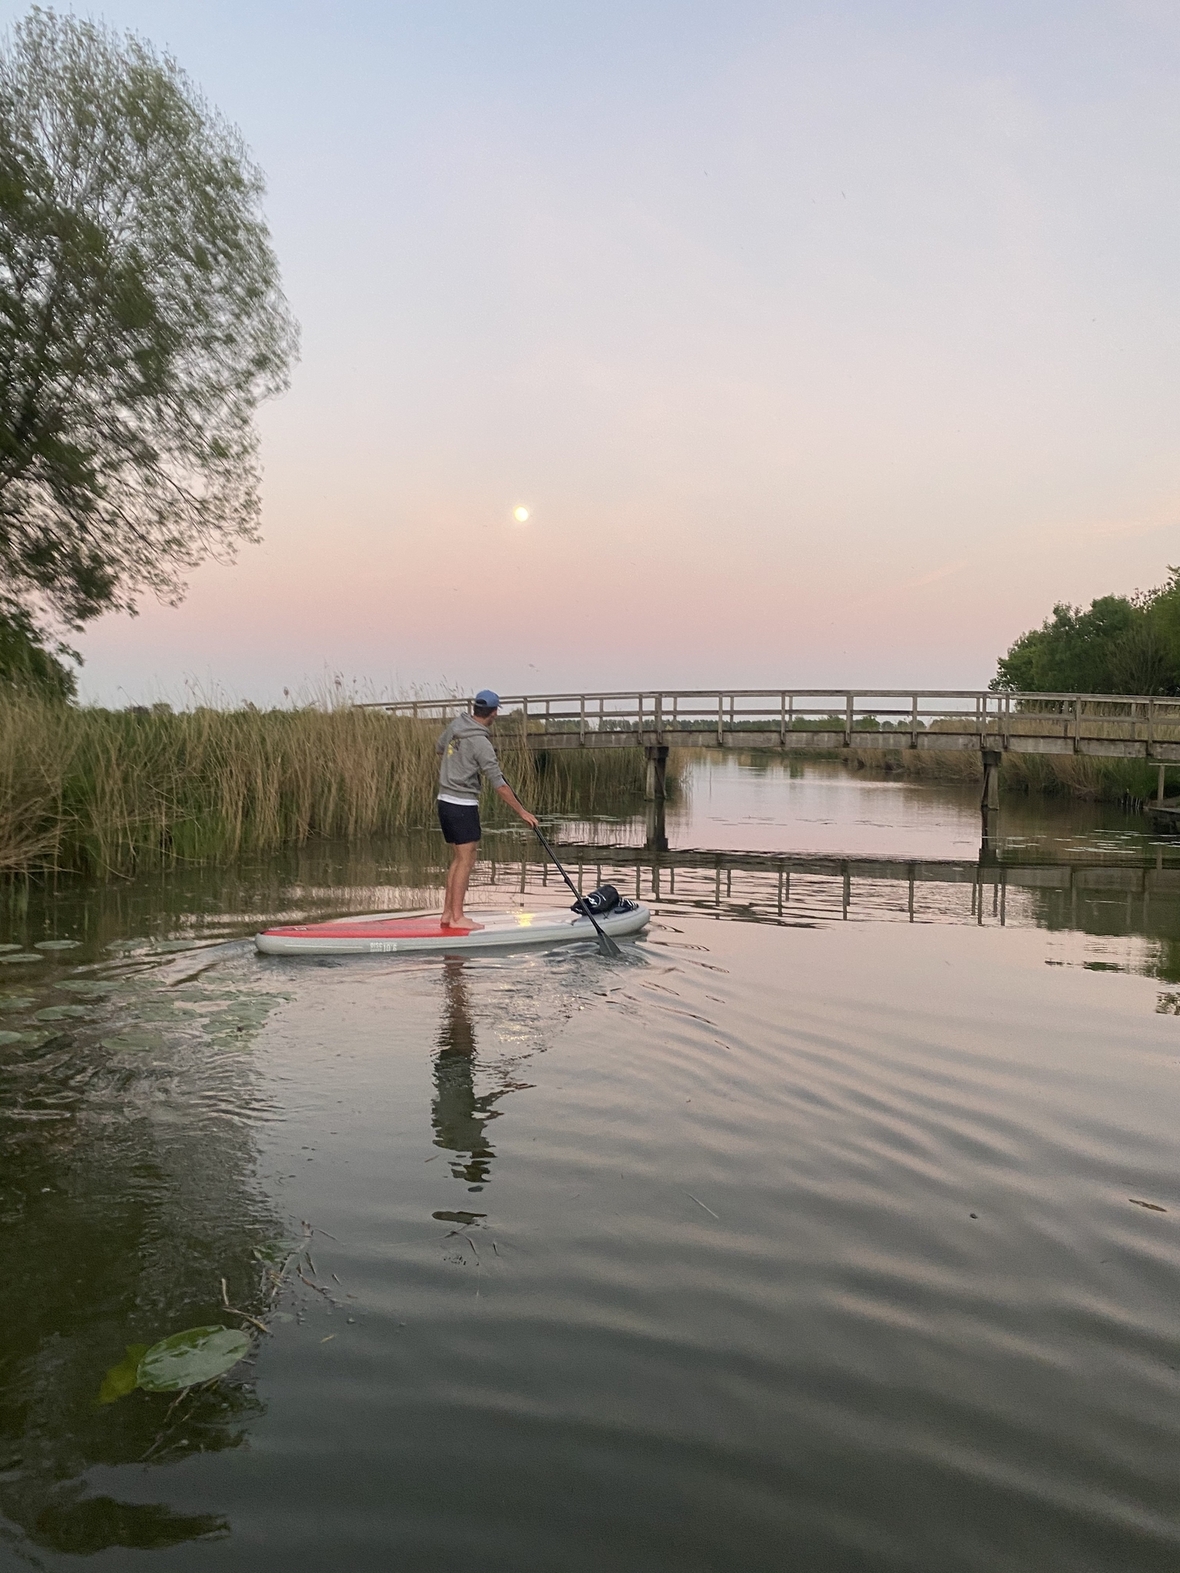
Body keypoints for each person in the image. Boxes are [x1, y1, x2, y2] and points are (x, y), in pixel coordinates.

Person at [435, 689, 537, 930]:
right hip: (462, 805)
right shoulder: (481, 742)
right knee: (466, 860)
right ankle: (459, 918)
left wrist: (460, 760)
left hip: (444, 801)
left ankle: (448, 915)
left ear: (475, 709)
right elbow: (499, 785)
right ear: (493, 712)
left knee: (458, 859)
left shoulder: (456, 725)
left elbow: (440, 747)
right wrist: (523, 812)